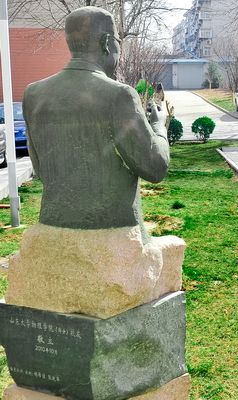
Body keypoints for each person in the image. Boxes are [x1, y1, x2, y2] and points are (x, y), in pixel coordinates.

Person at [23, 6, 169, 240]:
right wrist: (159, 127)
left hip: (54, 221)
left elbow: (40, 169)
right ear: (107, 43)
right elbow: (155, 167)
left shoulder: (33, 94)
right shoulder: (120, 95)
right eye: (119, 41)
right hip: (113, 229)